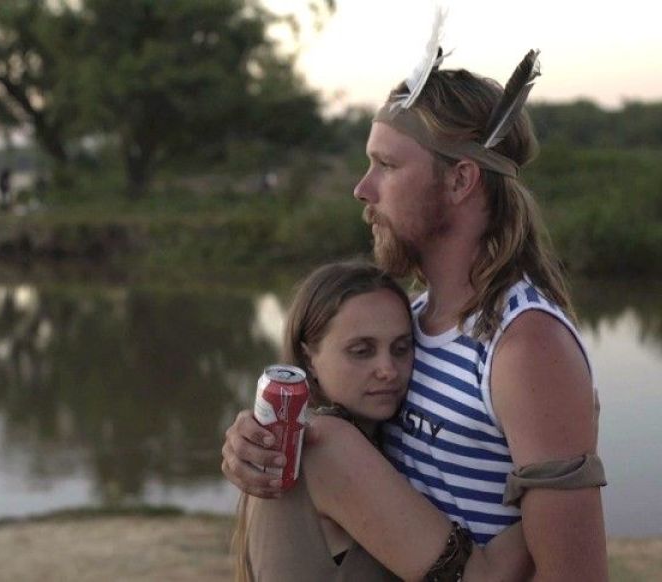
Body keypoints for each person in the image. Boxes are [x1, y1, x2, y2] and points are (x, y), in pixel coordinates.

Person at [222, 47, 608, 579]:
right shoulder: (408, 324)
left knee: (321, 448)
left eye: (386, 165)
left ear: (460, 180)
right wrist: (254, 442)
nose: (363, 188)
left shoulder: (524, 347)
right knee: (310, 445)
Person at [233, 261, 532, 581]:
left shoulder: (301, 433)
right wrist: (556, 471)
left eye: (401, 348)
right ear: (310, 359)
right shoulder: (326, 446)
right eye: (361, 351)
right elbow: (478, 579)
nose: (387, 369)